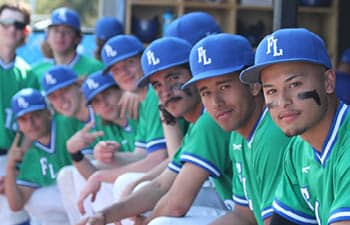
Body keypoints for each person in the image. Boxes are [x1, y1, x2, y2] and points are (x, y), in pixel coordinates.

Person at [76, 36, 233, 225]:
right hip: (234, 207)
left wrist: (145, 221)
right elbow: (161, 184)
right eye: (157, 85)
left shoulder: (208, 121)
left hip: (240, 212)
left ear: (196, 76)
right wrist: (103, 216)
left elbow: (175, 202)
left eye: (174, 78)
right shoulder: (195, 124)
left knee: (159, 220)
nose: (165, 92)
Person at [240, 28, 350, 225]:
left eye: (294, 84)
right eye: (271, 90)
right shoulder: (298, 148)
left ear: (328, 82)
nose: (283, 101)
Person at [182, 33, 292, 225]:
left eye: (224, 87)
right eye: (206, 92)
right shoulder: (238, 133)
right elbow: (244, 215)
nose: (216, 102)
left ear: (254, 86)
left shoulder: (272, 135)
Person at [75, 34, 170, 213]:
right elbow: (142, 154)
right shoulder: (145, 98)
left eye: (129, 63)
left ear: (144, 59)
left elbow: (158, 158)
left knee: (125, 184)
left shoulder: (155, 94)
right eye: (116, 70)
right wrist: (112, 157)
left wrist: (102, 176)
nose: (124, 73)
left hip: (202, 179)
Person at [5, 88, 76, 225]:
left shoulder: (67, 124)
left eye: (35, 115)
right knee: (34, 200)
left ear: (48, 113)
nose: (30, 124)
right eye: (23, 119)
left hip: (91, 198)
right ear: (18, 125)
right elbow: (16, 205)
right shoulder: (29, 153)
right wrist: (10, 166)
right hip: (65, 213)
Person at [0, 2, 39, 225]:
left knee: (15, 219)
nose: (11, 29)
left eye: (18, 24)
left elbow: (33, 129)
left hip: (11, 160)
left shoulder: (27, 73)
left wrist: (14, 165)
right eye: (5, 23)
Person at [31, 7, 103, 89]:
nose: (60, 36)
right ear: (47, 36)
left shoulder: (95, 69)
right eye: (56, 30)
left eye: (67, 31)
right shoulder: (36, 71)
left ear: (78, 38)